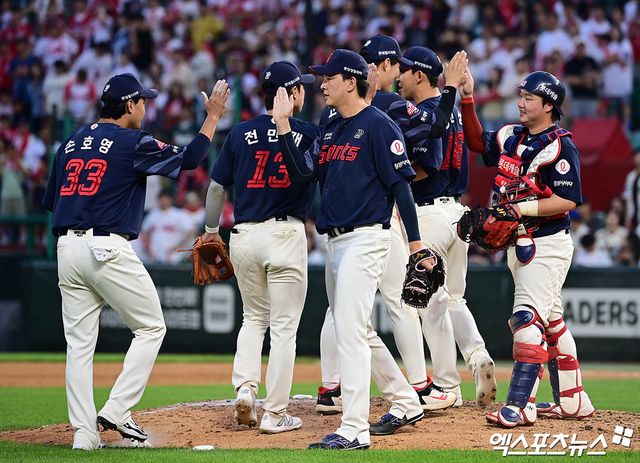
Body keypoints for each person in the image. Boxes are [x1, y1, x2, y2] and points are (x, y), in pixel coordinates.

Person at [42, 73, 229, 450]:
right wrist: (212, 116)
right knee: (151, 327)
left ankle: (84, 435)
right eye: (142, 101)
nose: (145, 107)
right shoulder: (132, 141)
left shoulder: (71, 142)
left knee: (79, 346)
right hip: (106, 246)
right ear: (129, 105)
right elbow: (191, 158)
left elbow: (51, 202)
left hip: (66, 248)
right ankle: (117, 410)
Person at [273, 49, 437, 450]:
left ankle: (354, 429)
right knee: (358, 327)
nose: (322, 84)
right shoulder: (330, 126)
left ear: (351, 82)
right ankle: (404, 399)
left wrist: (415, 243)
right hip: (335, 241)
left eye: (328, 77)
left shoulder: (379, 125)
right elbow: (304, 172)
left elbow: (401, 187)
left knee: (349, 328)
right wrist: (282, 127)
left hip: (367, 238)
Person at [316, 35, 466, 415]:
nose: (399, 73)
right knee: (399, 303)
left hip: (339, 229)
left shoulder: (329, 116)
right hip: (378, 221)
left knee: (340, 312)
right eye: (396, 65)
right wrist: (450, 89)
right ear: (382, 66)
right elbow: (435, 127)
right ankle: (417, 387)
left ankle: (331, 388)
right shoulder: (386, 106)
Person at [459, 69, 595, 427]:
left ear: (548, 105)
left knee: (526, 319)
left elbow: (568, 199)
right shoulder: (512, 135)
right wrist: (468, 98)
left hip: (546, 243)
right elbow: (477, 143)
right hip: (519, 242)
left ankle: (521, 405)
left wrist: (522, 208)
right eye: (521, 95)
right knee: (552, 323)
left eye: (529, 98)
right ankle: (573, 400)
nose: (520, 102)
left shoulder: (560, 145)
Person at [201, 61, 320, 434]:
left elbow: (217, 187)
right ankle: (276, 412)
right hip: (285, 233)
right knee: (284, 328)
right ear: (291, 93)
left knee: (253, 319)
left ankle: (245, 390)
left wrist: (210, 230)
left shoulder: (240, 133)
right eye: (301, 87)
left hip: (245, 235)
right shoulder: (308, 132)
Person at [397, 46, 497, 407]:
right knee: (453, 298)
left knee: (428, 304)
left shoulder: (428, 113)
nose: (399, 77)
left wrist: (392, 181)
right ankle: (477, 355)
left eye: (404, 70)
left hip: (427, 215)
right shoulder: (450, 109)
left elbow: (427, 165)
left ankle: (446, 386)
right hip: (456, 213)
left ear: (419, 75)